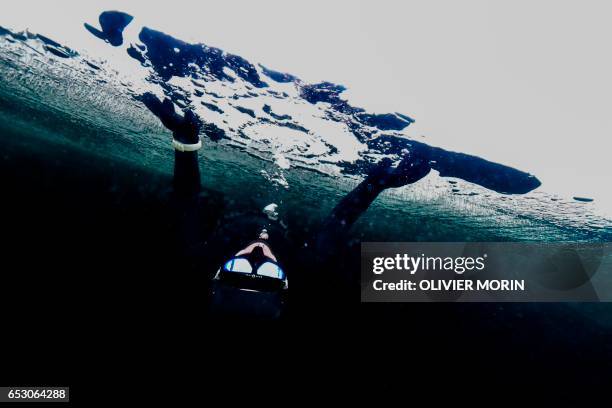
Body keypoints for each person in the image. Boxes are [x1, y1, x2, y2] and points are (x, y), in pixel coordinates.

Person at [140, 93, 431, 319]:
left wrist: (185, 139)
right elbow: (341, 218)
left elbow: (186, 197)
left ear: (218, 271)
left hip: (236, 197)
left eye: (240, 266)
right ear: (285, 282)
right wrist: (378, 182)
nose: (256, 253)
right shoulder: (307, 263)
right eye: (267, 272)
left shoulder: (200, 252)